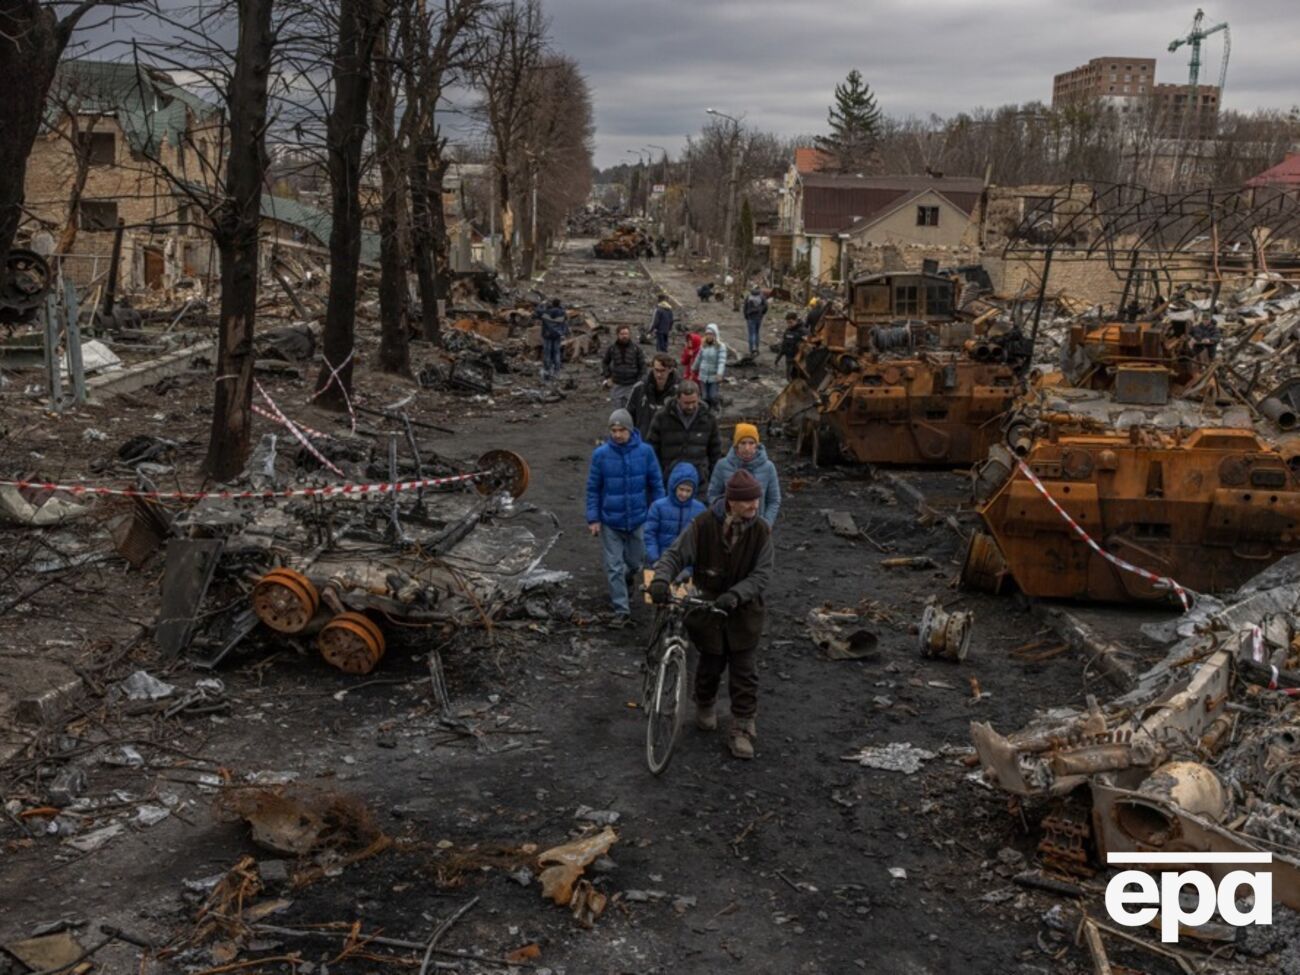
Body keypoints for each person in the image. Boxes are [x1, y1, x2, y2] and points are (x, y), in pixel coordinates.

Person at [650, 469, 773, 760]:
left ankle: (742, 729)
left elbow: (762, 574)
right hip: (707, 612)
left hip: (744, 614)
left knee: (744, 674)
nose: (755, 505)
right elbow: (674, 555)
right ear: (731, 501)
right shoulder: (703, 525)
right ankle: (704, 704)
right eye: (748, 501)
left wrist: (736, 594)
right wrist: (660, 579)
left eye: (757, 499)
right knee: (709, 665)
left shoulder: (761, 531)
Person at [586, 409, 665, 626]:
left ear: (630, 430)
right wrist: (593, 518)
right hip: (610, 519)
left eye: (622, 430)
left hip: (638, 518)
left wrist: (658, 513)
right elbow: (593, 488)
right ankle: (621, 610)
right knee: (613, 566)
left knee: (635, 563)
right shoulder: (601, 455)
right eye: (614, 430)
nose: (618, 434)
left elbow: (656, 485)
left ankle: (628, 577)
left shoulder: (646, 452)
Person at [647, 380, 723, 488]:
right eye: (686, 403)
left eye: (694, 402)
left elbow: (715, 452)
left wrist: (711, 478)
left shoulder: (709, 419)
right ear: (678, 399)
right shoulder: (662, 417)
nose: (691, 406)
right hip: (669, 480)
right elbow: (652, 448)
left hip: (699, 482)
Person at [708, 423, 782, 526]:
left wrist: (766, 524)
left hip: (757, 527)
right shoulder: (722, 466)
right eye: (743, 443)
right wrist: (723, 517)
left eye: (751, 443)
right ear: (736, 445)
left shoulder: (768, 467)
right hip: (728, 526)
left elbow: (774, 500)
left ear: (757, 445)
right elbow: (713, 495)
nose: (747, 448)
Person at [644, 461, 706, 568]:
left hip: (688, 566)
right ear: (673, 486)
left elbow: (703, 540)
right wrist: (654, 559)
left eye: (688, 491)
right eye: (681, 489)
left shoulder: (700, 509)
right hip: (661, 563)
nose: (684, 494)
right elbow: (649, 535)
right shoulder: (658, 507)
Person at [626, 354, 678, 436]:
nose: (659, 375)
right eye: (656, 370)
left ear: (670, 369)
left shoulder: (679, 392)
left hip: (667, 442)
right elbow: (628, 415)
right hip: (643, 440)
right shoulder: (639, 388)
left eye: (662, 370)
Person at [602, 324, 645, 409]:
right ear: (617, 335)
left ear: (629, 335)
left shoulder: (636, 349)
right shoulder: (612, 349)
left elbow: (643, 366)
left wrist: (640, 381)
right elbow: (605, 363)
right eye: (622, 334)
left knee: (631, 410)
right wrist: (608, 376)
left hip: (632, 385)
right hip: (617, 384)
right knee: (617, 411)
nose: (624, 336)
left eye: (626, 334)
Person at [692, 323, 727, 411]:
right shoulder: (703, 346)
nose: (709, 336)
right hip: (703, 375)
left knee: (712, 395)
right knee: (704, 396)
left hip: (714, 376)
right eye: (707, 334)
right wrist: (694, 368)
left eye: (711, 334)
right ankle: (706, 412)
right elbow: (699, 358)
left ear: (715, 335)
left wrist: (719, 373)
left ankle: (717, 407)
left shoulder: (720, 347)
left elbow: (721, 361)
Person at [539, 298, 569, 382]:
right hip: (557, 335)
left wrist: (542, 304)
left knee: (547, 353)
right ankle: (557, 371)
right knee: (556, 353)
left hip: (547, 335)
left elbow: (537, 312)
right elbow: (565, 319)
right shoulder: (562, 313)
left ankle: (547, 371)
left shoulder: (546, 312)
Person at [775, 311, 807, 378]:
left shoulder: (803, 331)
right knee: (788, 377)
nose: (789, 324)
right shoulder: (788, 331)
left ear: (796, 320)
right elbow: (784, 345)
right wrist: (778, 357)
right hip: (789, 359)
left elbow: (807, 347)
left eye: (791, 322)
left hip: (798, 361)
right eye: (788, 323)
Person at [742, 286, 769, 356]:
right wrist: (762, 313)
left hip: (750, 317)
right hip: (759, 317)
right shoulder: (762, 297)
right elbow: (766, 306)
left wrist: (746, 316)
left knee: (751, 334)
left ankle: (751, 350)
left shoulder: (748, 297)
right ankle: (757, 348)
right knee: (757, 333)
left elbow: (745, 307)